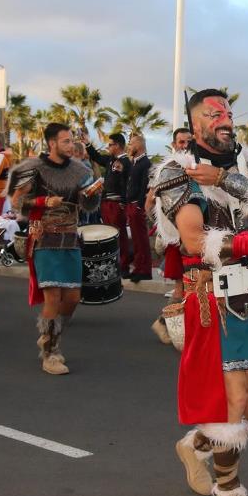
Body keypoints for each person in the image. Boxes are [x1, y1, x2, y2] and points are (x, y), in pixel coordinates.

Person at [155, 89, 248, 496]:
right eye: (214, 114)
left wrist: (230, 177)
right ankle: (228, 494)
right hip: (210, 296)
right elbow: (194, 241)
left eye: (229, 112)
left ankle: (196, 445)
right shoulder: (175, 173)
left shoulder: (245, 162)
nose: (225, 119)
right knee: (231, 402)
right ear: (195, 126)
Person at [8, 123, 103, 375]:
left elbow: (88, 204)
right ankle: (50, 352)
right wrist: (43, 201)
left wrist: (92, 194)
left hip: (71, 238)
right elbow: (17, 201)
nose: (71, 145)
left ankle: (50, 333)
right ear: (52, 144)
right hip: (45, 239)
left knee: (72, 298)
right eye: (66, 142)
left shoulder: (80, 170)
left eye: (72, 141)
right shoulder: (34, 169)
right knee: (53, 297)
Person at [150, 128, 195, 346]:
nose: (184, 145)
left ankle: (173, 325)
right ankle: (164, 323)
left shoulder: (198, 166)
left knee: (192, 286)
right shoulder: (167, 170)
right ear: (174, 144)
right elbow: (150, 201)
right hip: (176, 238)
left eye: (188, 141)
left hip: (195, 237)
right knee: (183, 286)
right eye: (181, 141)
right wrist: (164, 227)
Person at [86, 132, 132, 275]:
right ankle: (113, 265)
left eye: (110, 144)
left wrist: (124, 202)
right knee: (109, 235)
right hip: (106, 202)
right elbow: (97, 157)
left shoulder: (126, 162)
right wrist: (87, 144)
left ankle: (124, 266)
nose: (108, 147)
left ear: (118, 145)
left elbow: (127, 184)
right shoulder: (110, 160)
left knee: (119, 235)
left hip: (117, 203)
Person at [124, 133, 154, 282]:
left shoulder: (145, 164)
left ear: (139, 145)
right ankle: (137, 267)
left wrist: (139, 206)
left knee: (141, 239)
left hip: (137, 205)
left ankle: (144, 270)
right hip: (131, 204)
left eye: (131, 144)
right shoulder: (135, 163)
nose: (129, 147)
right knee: (135, 239)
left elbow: (144, 186)